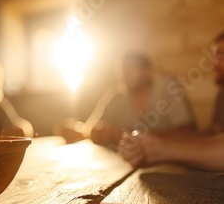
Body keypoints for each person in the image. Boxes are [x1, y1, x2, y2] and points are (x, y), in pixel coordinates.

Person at [119, 33, 224, 171]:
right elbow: (213, 136)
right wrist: (152, 140)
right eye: (214, 55)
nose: (213, 62)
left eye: (221, 54)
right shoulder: (221, 97)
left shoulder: (167, 85)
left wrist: (163, 149)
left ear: (147, 71)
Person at [59, 53, 195, 147]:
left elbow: (189, 132)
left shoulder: (168, 87)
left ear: (147, 71)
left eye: (130, 69)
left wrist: (130, 136)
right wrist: (84, 131)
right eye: (122, 70)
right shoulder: (117, 94)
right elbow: (94, 127)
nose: (124, 75)